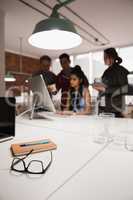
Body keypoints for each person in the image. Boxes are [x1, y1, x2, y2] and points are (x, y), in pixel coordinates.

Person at [93, 48, 129, 117]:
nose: (103, 59)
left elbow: (125, 89)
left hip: (114, 110)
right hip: (103, 108)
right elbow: (106, 86)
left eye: (105, 57)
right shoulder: (106, 71)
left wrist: (105, 89)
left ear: (112, 57)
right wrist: (98, 86)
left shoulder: (120, 70)